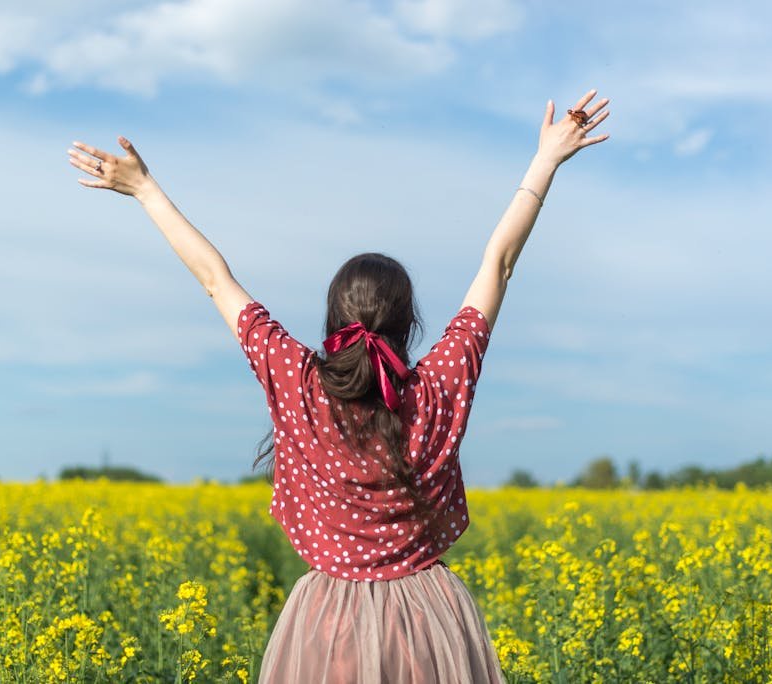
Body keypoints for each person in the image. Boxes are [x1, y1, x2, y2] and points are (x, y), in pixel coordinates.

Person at [67, 88, 609, 683]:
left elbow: (215, 281)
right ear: (410, 326)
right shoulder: (440, 385)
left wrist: (145, 189)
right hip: (430, 617)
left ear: (332, 325)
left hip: (329, 623)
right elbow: (498, 263)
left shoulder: (297, 380)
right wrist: (545, 161)